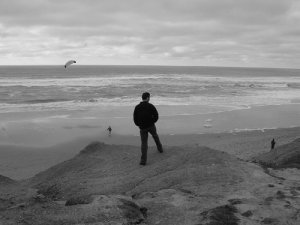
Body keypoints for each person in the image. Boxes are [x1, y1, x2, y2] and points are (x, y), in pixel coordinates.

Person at [133, 92, 163, 165]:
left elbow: (135, 118)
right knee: (155, 136)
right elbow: (156, 115)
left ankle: (143, 161)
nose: (149, 98)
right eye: (149, 97)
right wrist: (153, 121)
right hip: (151, 126)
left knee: (144, 143)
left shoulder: (137, 107)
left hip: (142, 127)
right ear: (147, 98)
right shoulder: (150, 106)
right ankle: (160, 149)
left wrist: (139, 125)